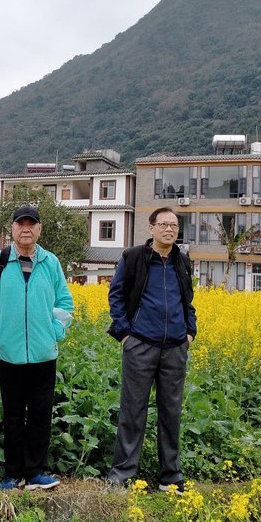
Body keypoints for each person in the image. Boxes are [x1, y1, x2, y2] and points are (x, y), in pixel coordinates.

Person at [0, 205, 74, 491]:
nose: (26, 229)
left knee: (41, 414)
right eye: (21, 224)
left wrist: (55, 331)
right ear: (12, 229)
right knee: (13, 414)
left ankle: (35, 472)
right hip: (9, 353)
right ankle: (12, 474)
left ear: (40, 229)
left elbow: (65, 302)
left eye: (32, 224)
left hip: (44, 353)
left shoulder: (51, 262)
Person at [105, 207, 196, 494]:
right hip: (140, 345)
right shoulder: (134, 257)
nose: (169, 230)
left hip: (175, 348)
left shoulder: (182, 261)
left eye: (174, 225)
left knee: (171, 413)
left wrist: (190, 332)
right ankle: (122, 475)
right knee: (132, 411)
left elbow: (188, 300)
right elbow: (116, 295)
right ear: (152, 228)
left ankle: (170, 476)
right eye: (164, 224)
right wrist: (125, 335)